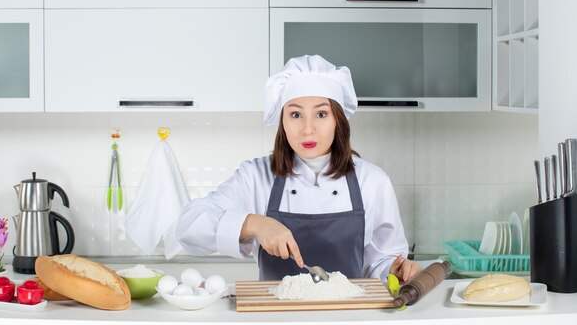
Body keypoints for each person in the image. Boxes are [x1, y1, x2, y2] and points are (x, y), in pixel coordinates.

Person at [176, 55, 421, 281]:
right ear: (282, 120)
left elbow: (380, 261)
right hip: (275, 318)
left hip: (349, 316)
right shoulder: (255, 176)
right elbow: (188, 227)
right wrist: (254, 223)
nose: (307, 129)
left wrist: (394, 270)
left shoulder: (372, 181)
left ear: (338, 120)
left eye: (321, 114)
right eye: (295, 115)